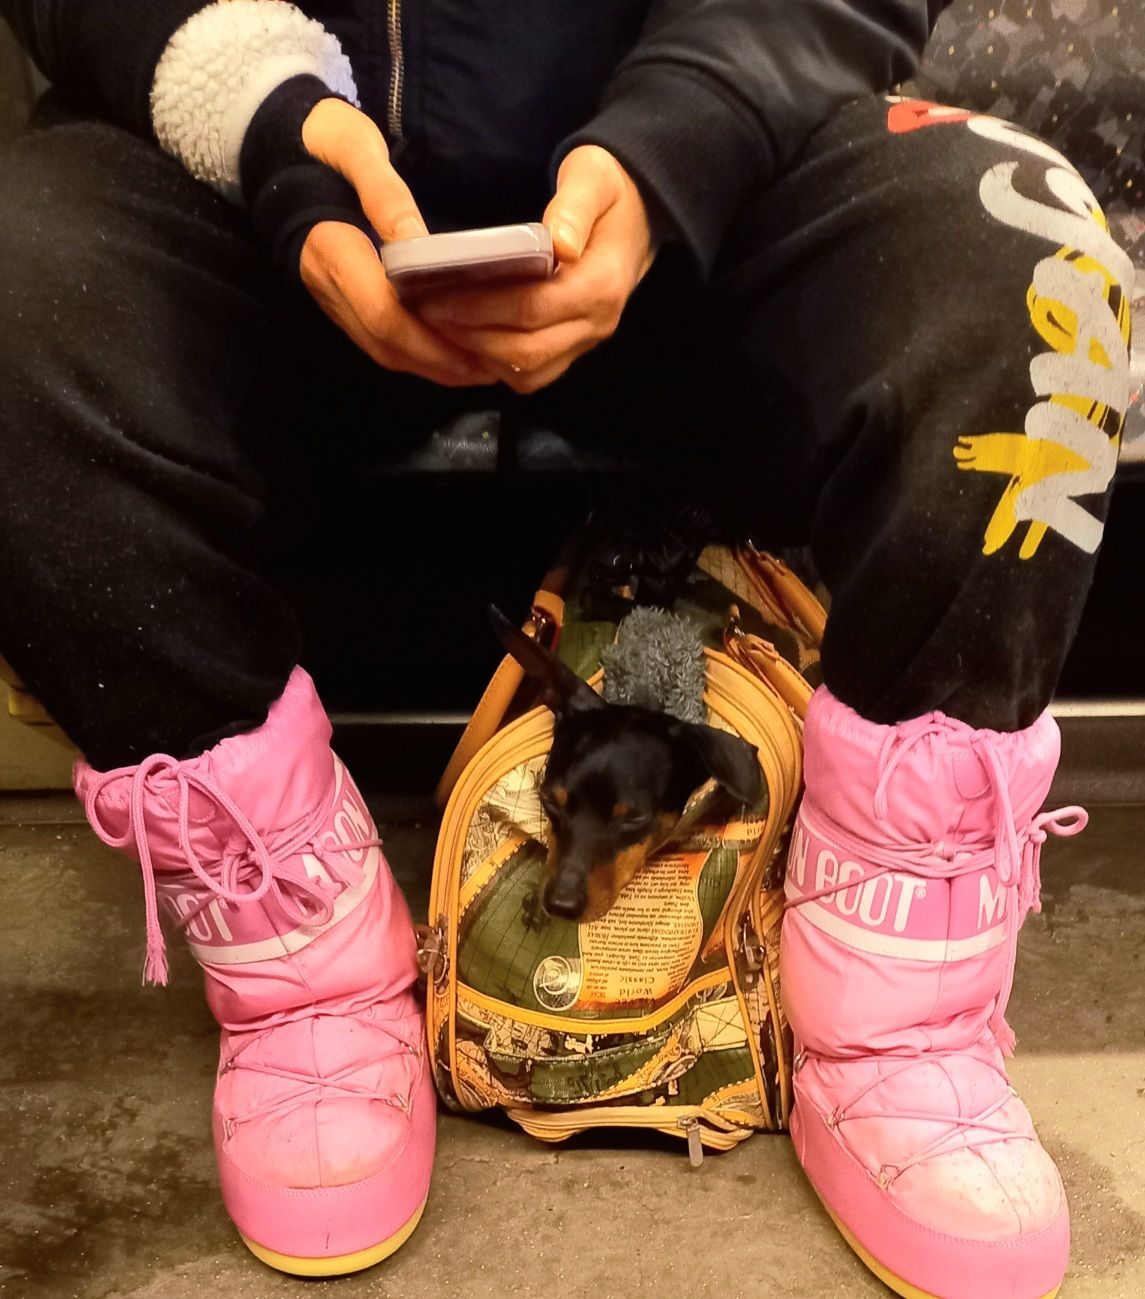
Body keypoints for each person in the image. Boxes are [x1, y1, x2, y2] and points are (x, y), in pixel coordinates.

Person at [0, 1, 1132, 1294]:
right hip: (248, 180)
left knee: (1031, 256)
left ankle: (898, 1018)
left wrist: (671, 147)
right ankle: (301, 974)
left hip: (714, 178)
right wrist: (271, 119)